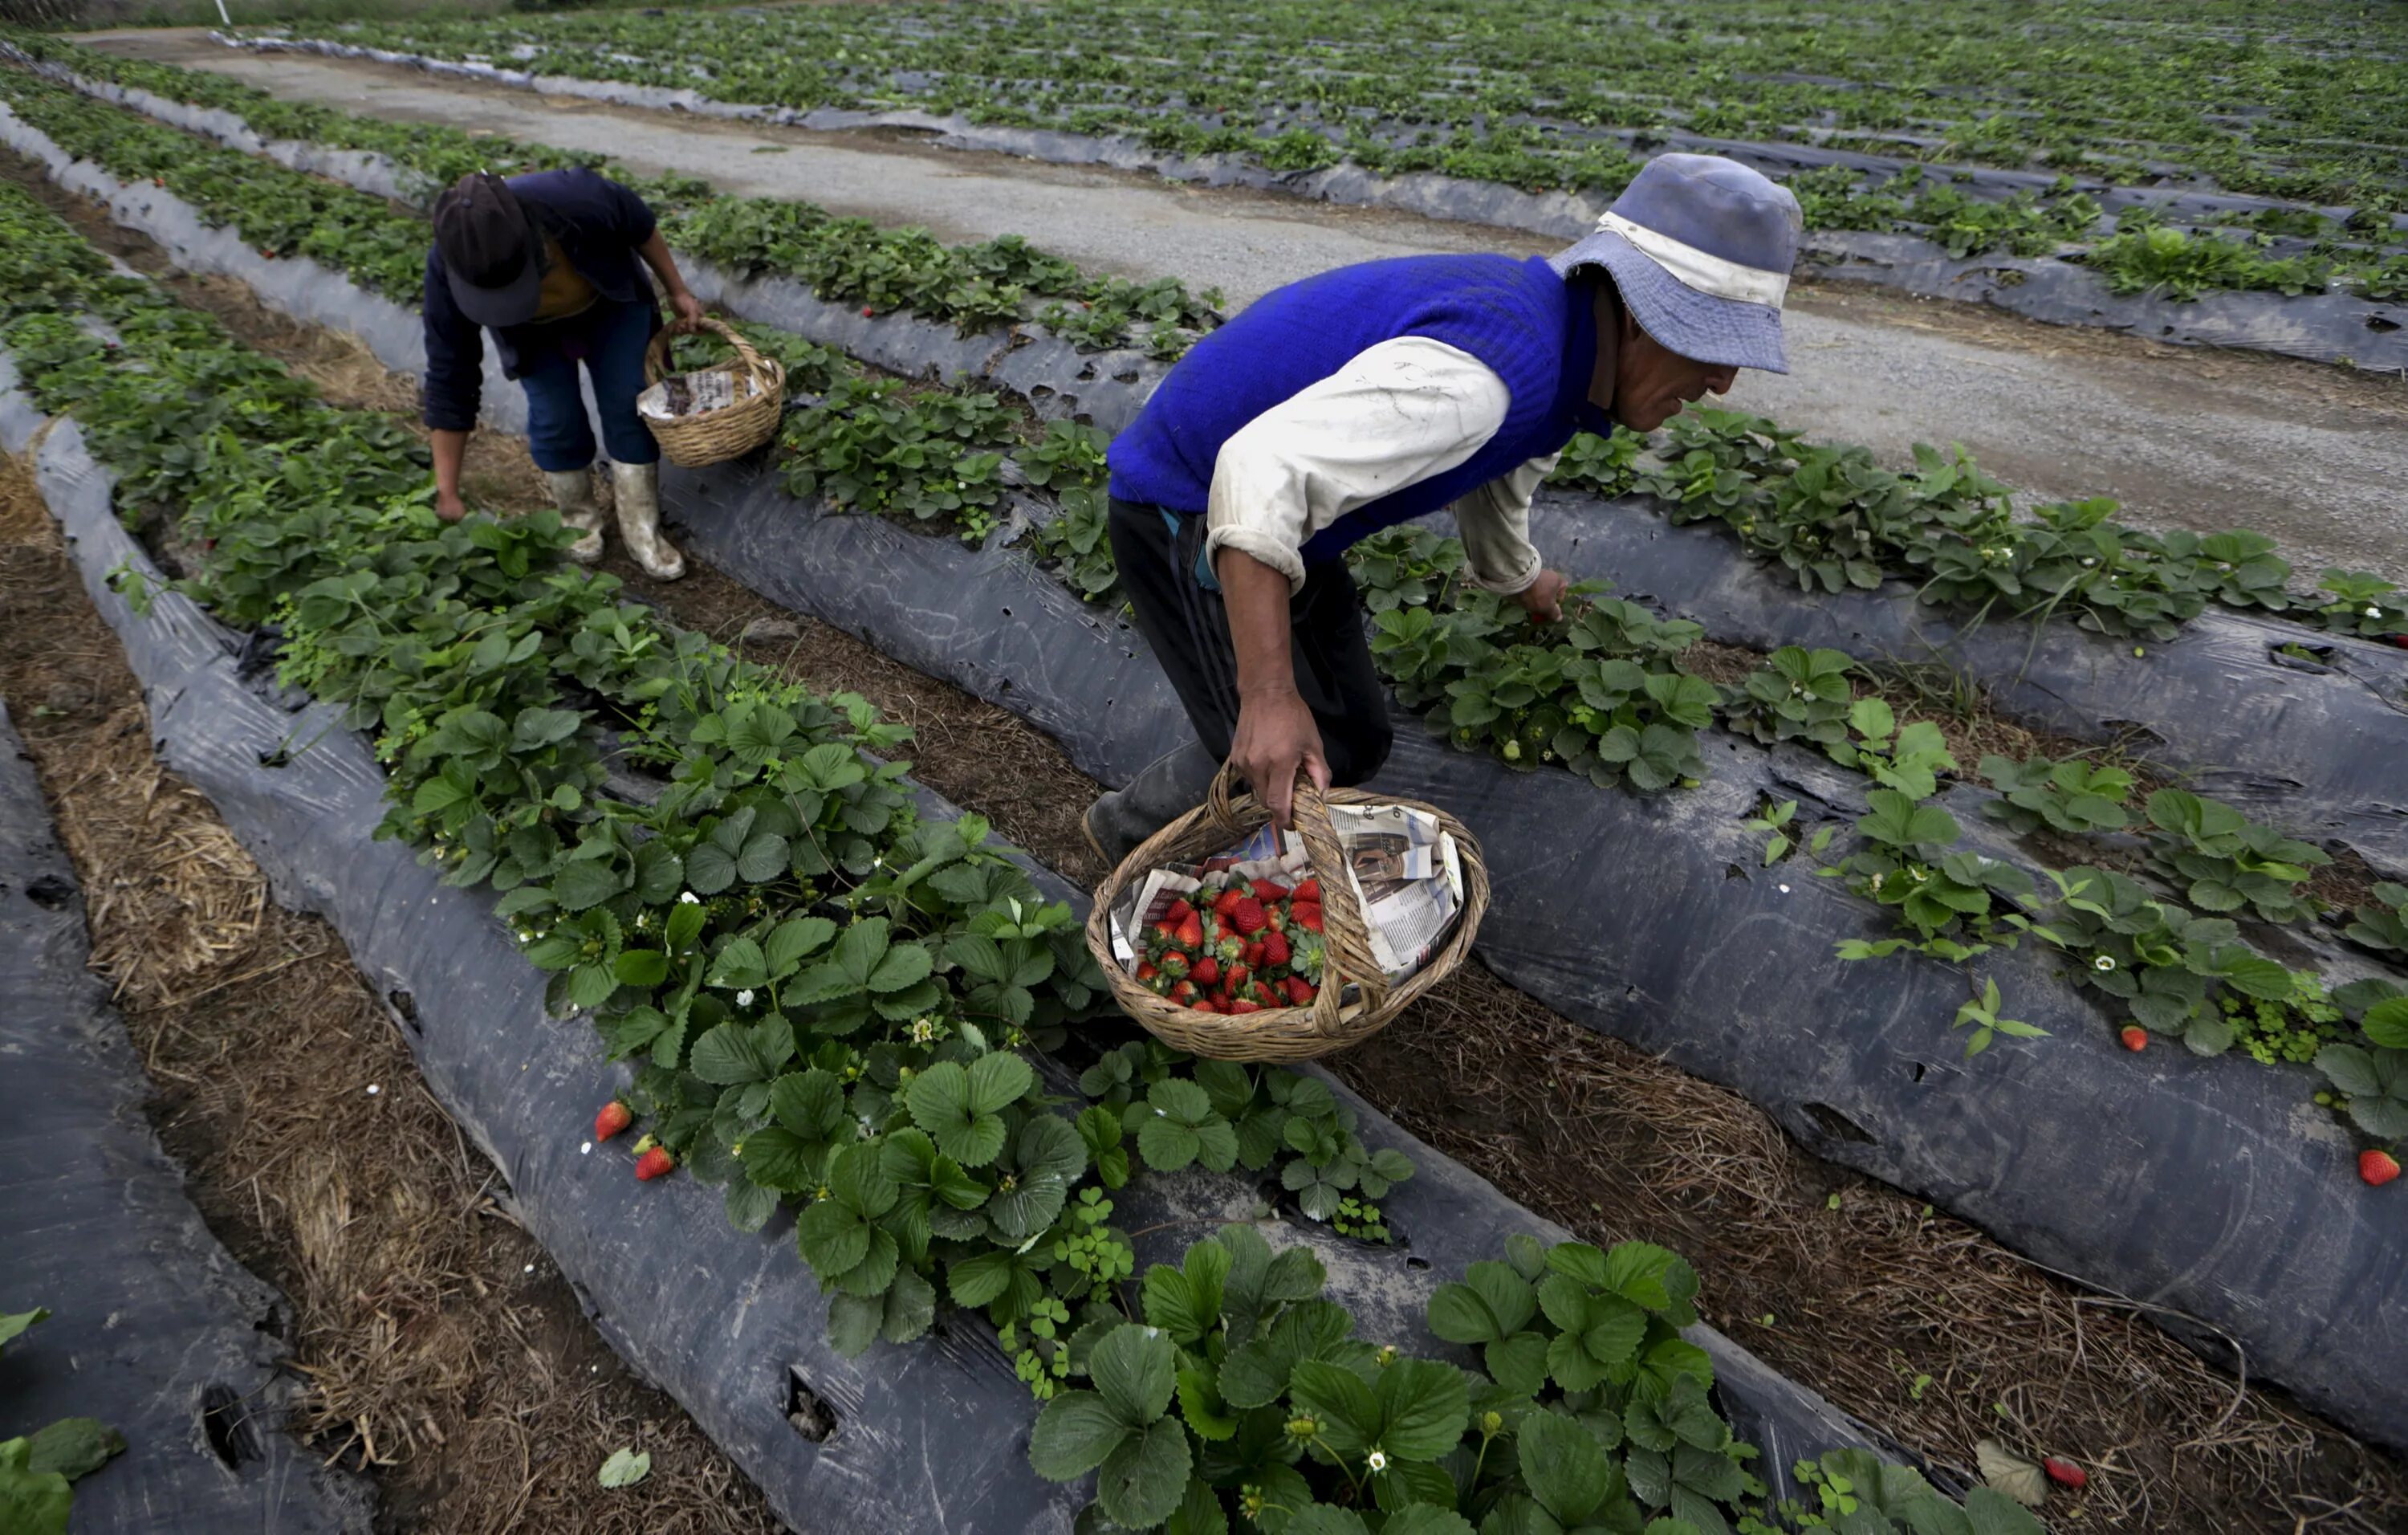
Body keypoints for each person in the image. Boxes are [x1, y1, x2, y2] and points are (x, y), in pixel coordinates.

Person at [1085, 153, 1802, 863]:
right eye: (1711, 343)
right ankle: (1127, 839)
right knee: (1270, 749)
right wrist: (1268, 695)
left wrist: (1519, 577)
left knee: (1351, 739)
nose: (1723, 380)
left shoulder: (1567, 355)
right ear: (1642, 314)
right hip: (1192, 507)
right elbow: (1256, 469)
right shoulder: (1481, 378)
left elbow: (1503, 468)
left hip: (1291, 527)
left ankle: (1224, 802)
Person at [420, 167, 705, 578]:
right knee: (555, 418)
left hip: (611, 306)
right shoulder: (449, 267)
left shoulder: (576, 199)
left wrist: (678, 290)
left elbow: (640, 225)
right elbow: (451, 374)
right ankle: (578, 524)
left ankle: (642, 529)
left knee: (629, 404)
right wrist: (447, 491)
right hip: (531, 335)